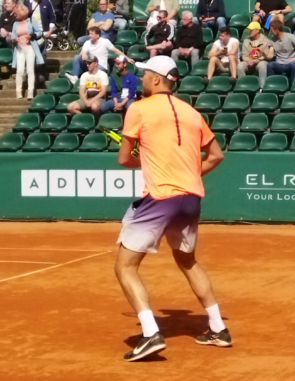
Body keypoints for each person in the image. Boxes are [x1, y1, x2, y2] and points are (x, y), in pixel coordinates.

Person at [115, 55, 230, 362]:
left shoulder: (137, 108)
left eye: (145, 75)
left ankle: (151, 332)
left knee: (125, 267)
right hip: (191, 198)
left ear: (156, 80)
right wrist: (188, 172)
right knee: (188, 262)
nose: (141, 80)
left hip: (161, 197)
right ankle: (218, 328)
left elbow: (125, 159)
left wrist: (147, 161)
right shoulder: (192, 113)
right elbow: (216, 156)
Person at [65, 27, 131, 83]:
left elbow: (116, 50)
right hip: (90, 63)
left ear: (97, 35)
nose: (89, 35)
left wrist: (127, 58)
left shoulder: (105, 41)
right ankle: (75, 77)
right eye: (89, 34)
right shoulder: (87, 42)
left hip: (101, 65)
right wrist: (84, 54)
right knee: (77, 57)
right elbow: (83, 51)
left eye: (92, 34)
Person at [12, 3, 44, 99]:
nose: (15, 14)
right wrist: (15, 38)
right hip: (20, 48)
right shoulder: (15, 24)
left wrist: (31, 36)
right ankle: (19, 91)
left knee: (30, 70)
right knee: (20, 70)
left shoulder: (31, 21)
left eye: (17, 12)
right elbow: (13, 35)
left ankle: (30, 91)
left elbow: (39, 33)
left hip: (30, 47)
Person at [238, 21, 273, 88]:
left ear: (257, 30)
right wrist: (249, 60)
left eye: (251, 30)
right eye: (249, 30)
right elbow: (244, 55)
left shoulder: (266, 41)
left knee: (263, 64)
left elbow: (265, 56)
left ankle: (262, 86)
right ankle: (242, 85)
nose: (249, 31)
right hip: (249, 61)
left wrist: (254, 61)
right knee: (240, 65)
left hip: (260, 61)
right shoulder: (246, 41)